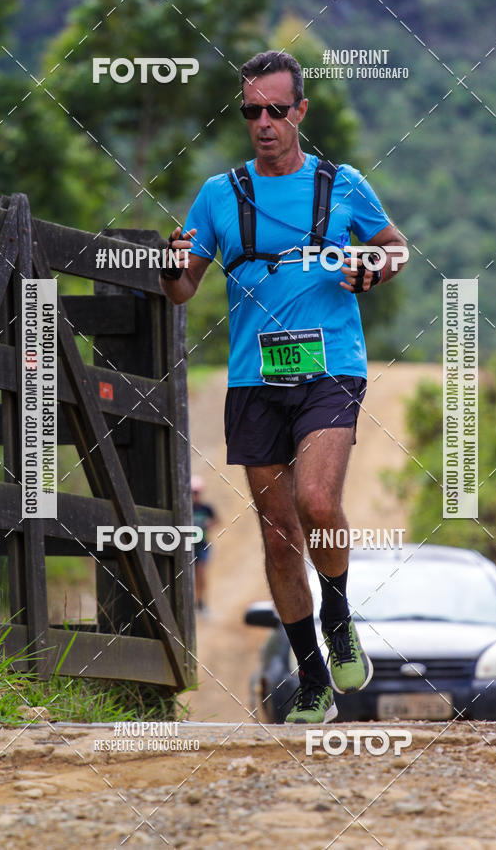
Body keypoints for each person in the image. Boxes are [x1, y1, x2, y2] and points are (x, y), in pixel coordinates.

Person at [160, 50, 407, 723]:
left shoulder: (341, 184)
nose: (263, 123)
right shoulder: (219, 195)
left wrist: (373, 266)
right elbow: (182, 288)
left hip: (331, 367)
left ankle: (339, 617)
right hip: (254, 378)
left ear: (300, 111)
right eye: (251, 111)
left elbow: (396, 247)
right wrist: (168, 264)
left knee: (317, 501)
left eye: (275, 110)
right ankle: (312, 680)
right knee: (277, 534)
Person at [191, 474, 217, 615]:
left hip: (202, 545)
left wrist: (208, 524)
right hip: (188, 546)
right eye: (192, 493)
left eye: (196, 493)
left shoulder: (206, 509)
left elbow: (215, 521)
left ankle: (201, 602)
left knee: (200, 574)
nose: (195, 496)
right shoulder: (186, 509)